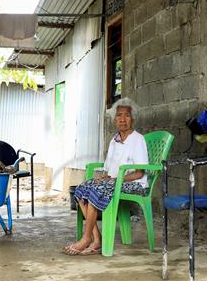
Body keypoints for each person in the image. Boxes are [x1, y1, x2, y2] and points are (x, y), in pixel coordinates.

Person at [63, 98, 149, 255]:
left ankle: (86, 238)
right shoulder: (114, 141)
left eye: (127, 115)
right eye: (119, 115)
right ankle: (96, 239)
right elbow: (109, 170)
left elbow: (139, 172)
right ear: (114, 119)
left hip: (135, 184)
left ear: (133, 119)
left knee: (97, 189)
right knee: (83, 188)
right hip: (114, 182)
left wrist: (115, 180)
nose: (122, 119)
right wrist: (103, 177)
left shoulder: (138, 139)